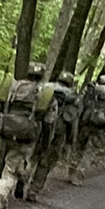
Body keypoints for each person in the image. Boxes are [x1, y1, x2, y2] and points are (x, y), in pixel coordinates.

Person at [0, 62, 54, 209]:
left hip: (3, 132)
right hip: (25, 138)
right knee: (10, 172)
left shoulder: (12, 86)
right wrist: (45, 145)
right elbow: (49, 122)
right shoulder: (44, 93)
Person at [29, 69, 77, 200]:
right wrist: (70, 140)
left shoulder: (45, 88)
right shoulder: (72, 97)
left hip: (38, 127)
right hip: (57, 132)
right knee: (46, 161)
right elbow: (72, 120)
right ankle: (33, 190)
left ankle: (23, 176)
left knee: (32, 155)